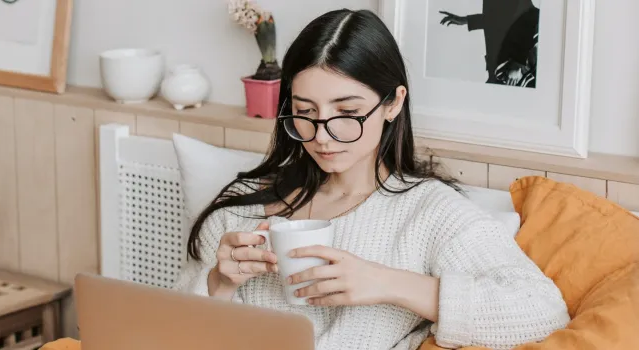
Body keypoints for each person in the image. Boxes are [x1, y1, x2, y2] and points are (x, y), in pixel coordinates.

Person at [173, 8, 570, 350]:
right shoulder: (242, 209)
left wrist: (387, 283)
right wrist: (219, 284)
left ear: (393, 103)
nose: (323, 135)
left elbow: (542, 309)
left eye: (347, 113)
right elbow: (170, 331)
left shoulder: (429, 214)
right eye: (305, 112)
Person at [439, 0, 539, 87]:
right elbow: (497, 17)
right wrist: (465, 20)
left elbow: (531, 15)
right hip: (500, 70)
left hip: (516, 72)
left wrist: (518, 64)